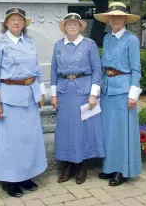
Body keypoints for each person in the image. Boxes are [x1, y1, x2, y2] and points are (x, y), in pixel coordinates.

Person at [0, 7, 47, 197]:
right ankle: (10, 181)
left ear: (24, 23)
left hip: (29, 95)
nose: (16, 22)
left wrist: (41, 91)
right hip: (9, 97)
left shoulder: (29, 42)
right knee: (10, 142)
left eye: (20, 19)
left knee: (29, 139)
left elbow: (36, 68)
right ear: (6, 23)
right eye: (12, 19)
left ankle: (26, 176)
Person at [50, 13, 105, 185]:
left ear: (81, 26)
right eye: (69, 24)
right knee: (66, 130)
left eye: (75, 24)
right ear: (64, 27)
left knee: (82, 130)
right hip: (65, 91)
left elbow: (97, 69)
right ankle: (68, 166)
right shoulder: (58, 45)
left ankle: (81, 166)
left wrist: (93, 93)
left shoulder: (89, 45)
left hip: (83, 90)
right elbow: (53, 71)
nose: (72, 26)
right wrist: (53, 94)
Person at [94, 2, 142, 186]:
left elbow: (136, 69)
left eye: (119, 16)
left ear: (125, 19)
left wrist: (133, 94)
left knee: (122, 133)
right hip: (107, 89)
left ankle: (121, 170)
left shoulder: (131, 40)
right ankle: (109, 168)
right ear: (109, 19)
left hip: (123, 90)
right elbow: (103, 64)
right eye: (112, 17)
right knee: (109, 131)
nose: (115, 20)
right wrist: (98, 88)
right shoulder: (107, 38)